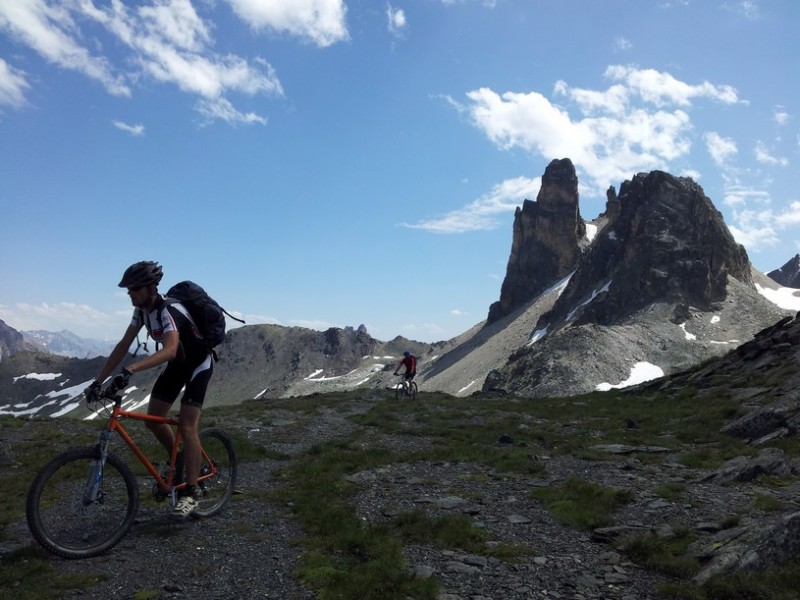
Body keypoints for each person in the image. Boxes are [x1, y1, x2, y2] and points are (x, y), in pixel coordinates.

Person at [84, 261, 213, 517]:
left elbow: (170, 349)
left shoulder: (168, 310)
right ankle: (178, 462)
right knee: (153, 420)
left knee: (187, 425)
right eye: (128, 289)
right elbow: (123, 345)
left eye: (134, 288)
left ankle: (193, 491)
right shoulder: (142, 311)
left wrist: (131, 370)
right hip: (177, 366)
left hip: (198, 364)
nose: (129, 293)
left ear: (151, 288)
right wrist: (98, 380)